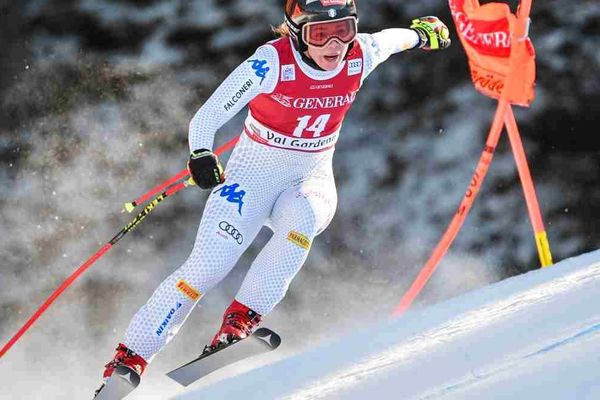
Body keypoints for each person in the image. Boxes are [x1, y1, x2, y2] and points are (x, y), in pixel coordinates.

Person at [94, 0, 450, 396]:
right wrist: (201, 153)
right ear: (297, 33)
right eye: (320, 34)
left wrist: (422, 35)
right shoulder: (271, 62)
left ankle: (238, 325)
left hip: (310, 176)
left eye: (344, 30)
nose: (334, 45)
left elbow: (390, 40)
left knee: (303, 219)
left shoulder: (358, 54)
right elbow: (207, 117)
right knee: (207, 267)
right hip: (251, 178)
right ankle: (128, 362)